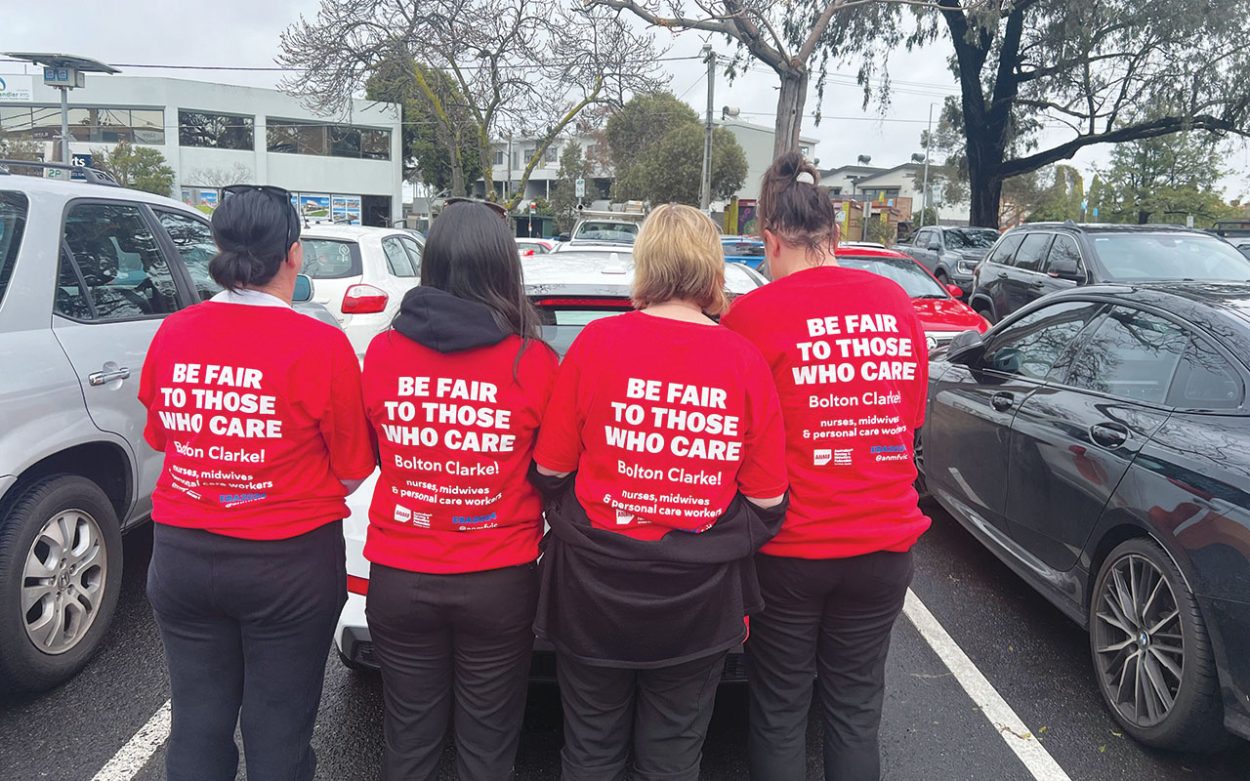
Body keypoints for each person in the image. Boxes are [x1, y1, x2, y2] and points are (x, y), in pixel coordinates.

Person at [532, 203, 789, 781]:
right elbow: (769, 501)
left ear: (645, 264)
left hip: (592, 591)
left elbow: (549, 469)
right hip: (696, 600)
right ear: (712, 269)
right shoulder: (743, 359)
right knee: (673, 756)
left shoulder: (597, 344)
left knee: (591, 750)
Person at [138, 185, 375, 781]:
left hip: (183, 554)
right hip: (287, 563)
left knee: (196, 722)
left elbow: (163, 438)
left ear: (218, 246)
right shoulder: (320, 344)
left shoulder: (175, 331)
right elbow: (353, 467)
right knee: (278, 733)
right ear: (294, 255)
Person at [721, 153, 931, 780]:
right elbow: (909, 420)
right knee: (854, 710)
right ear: (834, 235)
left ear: (770, 239)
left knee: (781, 707)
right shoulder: (897, 306)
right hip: (884, 546)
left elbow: (735, 440)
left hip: (790, 550)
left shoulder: (753, 318)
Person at [360, 201, 559, 781]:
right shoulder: (533, 362)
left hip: (400, 574)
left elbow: (375, 452)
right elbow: (552, 473)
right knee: (488, 750)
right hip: (499, 579)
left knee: (410, 743)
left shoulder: (384, 354)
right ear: (504, 268)